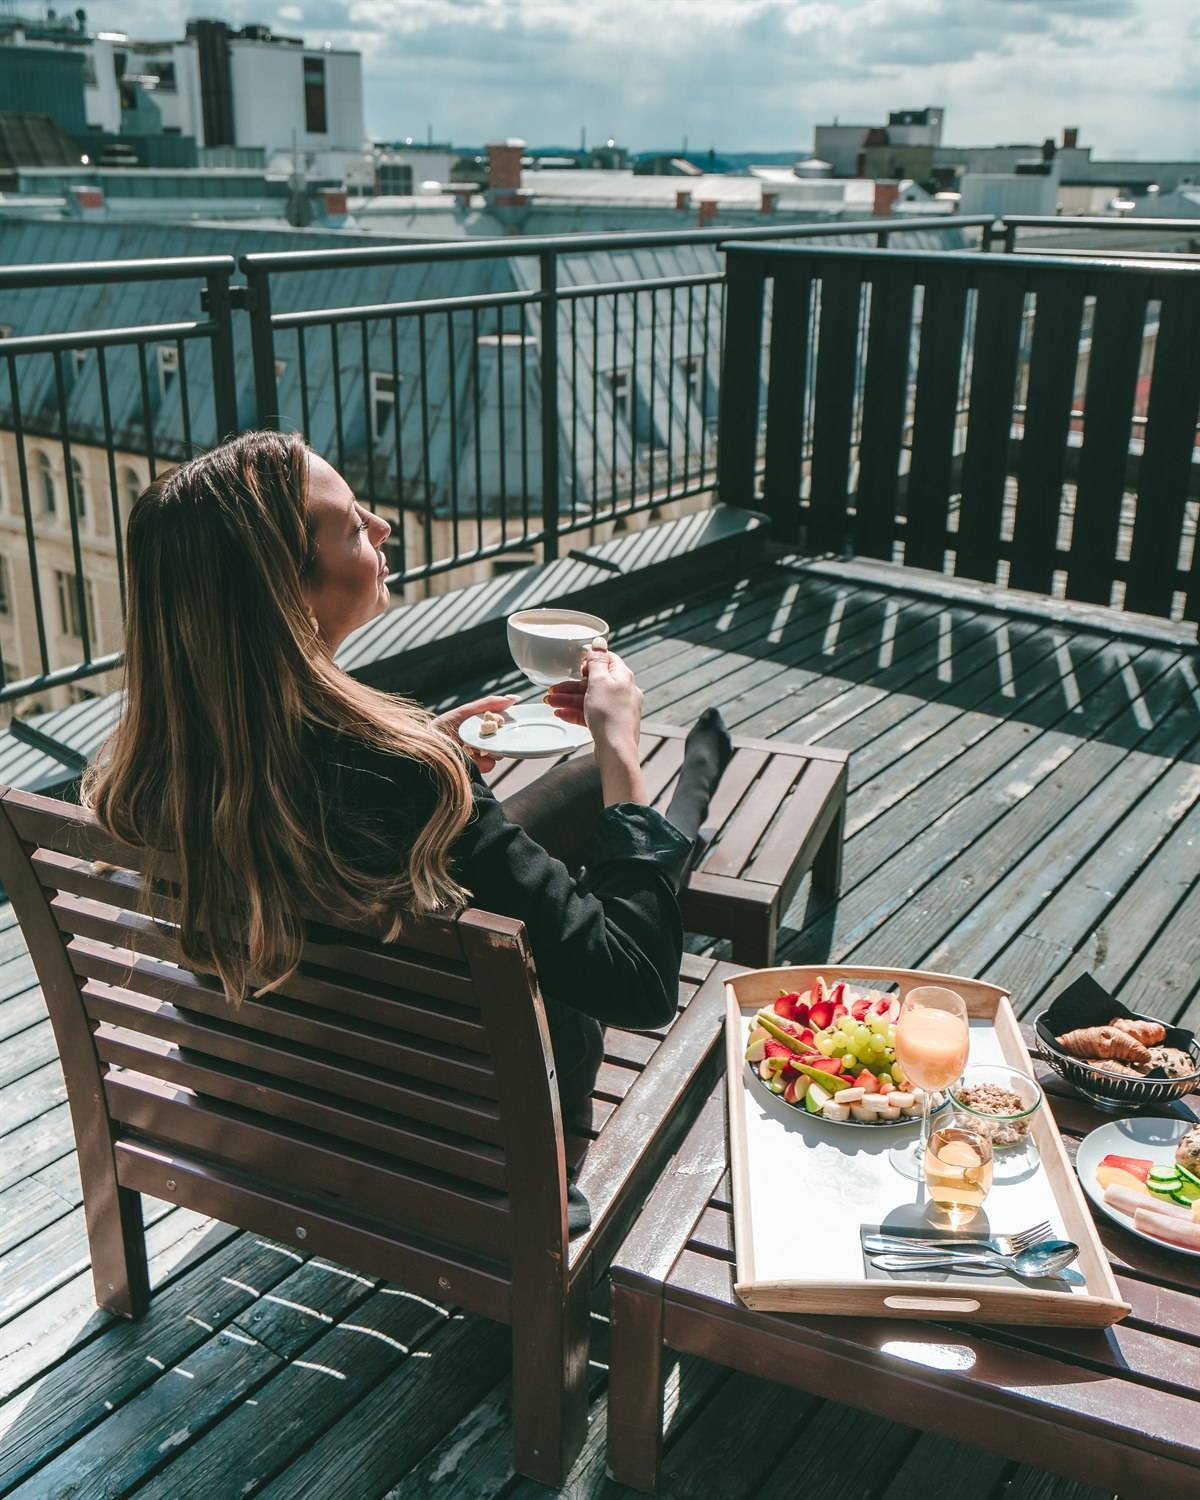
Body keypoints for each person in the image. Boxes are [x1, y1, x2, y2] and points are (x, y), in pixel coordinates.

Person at [83, 430, 732, 1130]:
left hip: (262, 1094)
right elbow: (633, 984)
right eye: (355, 526)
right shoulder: (408, 781)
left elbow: (326, 791)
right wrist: (619, 748)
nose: (383, 527)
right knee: (607, 793)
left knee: (574, 790)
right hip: (459, 1108)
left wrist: (434, 751)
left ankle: (685, 800)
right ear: (290, 592)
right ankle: (685, 805)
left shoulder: (141, 774)